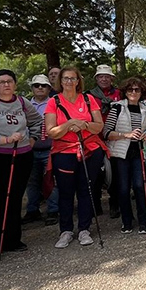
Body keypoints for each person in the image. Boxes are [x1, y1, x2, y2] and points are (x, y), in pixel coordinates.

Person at [0, 70, 43, 261]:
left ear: (15, 84)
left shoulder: (22, 102)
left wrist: (33, 139)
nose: (6, 85)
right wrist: (4, 139)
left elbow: (37, 120)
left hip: (21, 157)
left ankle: (12, 240)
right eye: (1, 82)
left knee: (14, 198)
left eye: (9, 81)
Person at [45, 66, 107, 248]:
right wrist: (70, 124)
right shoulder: (53, 102)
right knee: (65, 192)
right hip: (64, 152)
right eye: (66, 78)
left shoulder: (89, 99)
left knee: (86, 189)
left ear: (78, 80)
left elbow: (99, 126)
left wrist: (84, 125)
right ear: (60, 81)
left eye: (73, 78)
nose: (69, 82)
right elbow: (51, 132)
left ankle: (84, 229)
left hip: (89, 149)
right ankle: (65, 230)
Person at [103, 78, 146, 234]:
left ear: (141, 92)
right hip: (120, 153)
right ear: (124, 91)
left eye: (137, 90)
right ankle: (127, 221)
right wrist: (126, 135)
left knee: (140, 186)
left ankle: (143, 221)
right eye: (130, 90)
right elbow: (106, 132)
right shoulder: (117, 108)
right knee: (123, 188)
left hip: (139, 151)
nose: (133, 92)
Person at [23, 74, 58, 226]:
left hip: (50, 147)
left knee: (51, 179)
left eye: (43, 86)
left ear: (49, 88)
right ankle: (32, 210)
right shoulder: (25, 105)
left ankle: (53, 210)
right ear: (32, 88)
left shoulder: (54, 103)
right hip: (31, 149)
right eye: (36, 85)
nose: (40, 88)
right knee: (32, 181)